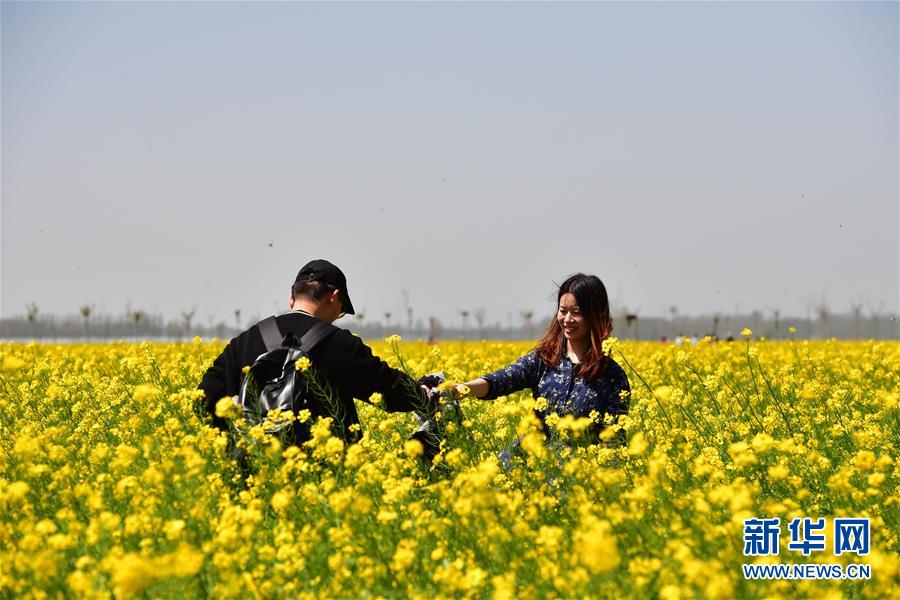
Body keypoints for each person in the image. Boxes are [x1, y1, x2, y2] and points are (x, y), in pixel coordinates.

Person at [197, 259, 431, 444]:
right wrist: (426, 391)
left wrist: (240, 447)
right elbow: (393, 393)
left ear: (292, 297)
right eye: (340, 312)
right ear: (335, 297)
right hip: (326, 484)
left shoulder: (246, 341)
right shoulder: (340, 344)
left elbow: (203, 399)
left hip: (256, 484)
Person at [450, 273, 631, 455]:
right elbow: (503, 380)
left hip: (576, 474)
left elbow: (614, 445)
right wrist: (463, 389)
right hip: (532, 463)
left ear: (595, 315)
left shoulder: (612, 376)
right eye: (563, 311)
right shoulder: (544, 359)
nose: (567, 319)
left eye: (576, 313)